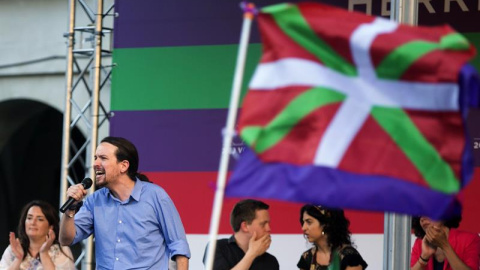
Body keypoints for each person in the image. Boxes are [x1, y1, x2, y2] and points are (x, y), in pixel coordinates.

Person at [58, 136, 190, 270]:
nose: (95, 164)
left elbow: (178, 245)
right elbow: (66, 239)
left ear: (124, 166)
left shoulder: (155, 196)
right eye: (95, 158)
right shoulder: (95, 200)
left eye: (103, 158)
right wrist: (71, 209)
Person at [203, 199, 279, 270]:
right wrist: (251, 255)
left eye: (268, 224)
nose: (269, 229)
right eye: (263, 224)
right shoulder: (216, 248)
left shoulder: (271, 261)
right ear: (245, 226)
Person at [0, 200, 75, 270]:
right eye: (29, 218)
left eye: (40, 219)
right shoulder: (14, 249)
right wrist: (18, 259)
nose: (33, 222)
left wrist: (44, 253)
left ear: (50, 226)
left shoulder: (60, 250)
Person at [298, 204, 367, 270]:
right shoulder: (307, 257)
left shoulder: (350, 257)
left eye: (309, 222)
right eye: (303, 222)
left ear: (326, 224)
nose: (303, 228)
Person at [410, 215, 480, 270]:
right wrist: (424, 257)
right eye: (419, 214)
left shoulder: (469, 239)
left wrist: (445, 246)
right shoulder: (419, 243)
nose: (422, 218)